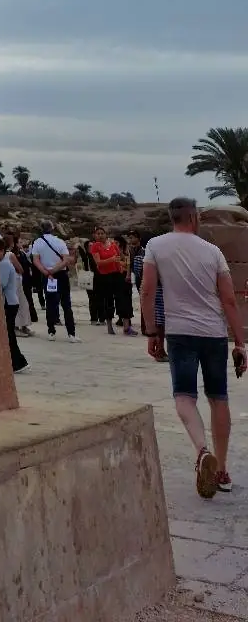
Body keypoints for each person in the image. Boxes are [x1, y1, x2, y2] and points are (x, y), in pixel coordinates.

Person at [142, 197, 247, 499]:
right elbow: (229, 300)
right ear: (195, 218)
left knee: (185, 397)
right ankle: (223, 470)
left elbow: (148, 289)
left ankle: (202, 451)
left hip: (180, 334)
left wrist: (151, 331)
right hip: (213, 334)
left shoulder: (155, 247)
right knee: (219, 398)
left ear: (172, 218)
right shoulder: (213, 252)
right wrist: (240, 343)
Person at [30, 222, 77, 339]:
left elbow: (35, 260)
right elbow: (66, 260)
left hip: (47, 275)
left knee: (50, 303)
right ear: (52, 229)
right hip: (60, 274)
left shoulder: (37, 242)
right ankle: (71, 333)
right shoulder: (60, 241)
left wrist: (47, 272)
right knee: (66, 303)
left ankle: (51, 331)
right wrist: (54, 270)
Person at [0, 236, 28, 373]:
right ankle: (16, 361)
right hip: (10, 302)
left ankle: (19, 362)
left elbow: (0, 285)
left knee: (9, 334)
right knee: (8, 334)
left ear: (1, 250)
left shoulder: (4, 264)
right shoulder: (1, 262)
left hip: (9, 303)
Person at [89, 225, 122, 335]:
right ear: (95, 235)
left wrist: (121, 268)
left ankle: (122, 320)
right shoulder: (95, 246)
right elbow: (98, 262)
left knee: (118, 298)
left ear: (105, 234)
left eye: (102, 233)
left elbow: (120, 257)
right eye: (98, 233)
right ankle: (109, 324)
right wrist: (111, 259)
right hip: (104, 276)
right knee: (108, 300)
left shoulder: (113, 244)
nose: (100, 235)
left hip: (116, 274)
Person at [5, 230, 37, 334]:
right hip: (15, 281)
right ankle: (16, 327)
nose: (21, 244)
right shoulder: (11, 254)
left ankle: (24, 326)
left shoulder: (21, 253)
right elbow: (20, 268)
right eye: (18, 242)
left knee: (24, 304)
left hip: (23, 281)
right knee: (17, 304)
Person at [114, 234, 138, 335]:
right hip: (116, 277)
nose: (115, 244)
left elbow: (127, 263)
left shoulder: (125, 251)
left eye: (116, 242)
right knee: (120, 301)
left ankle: (127, 326)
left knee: (126, 300)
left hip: (124, 276)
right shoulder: (113, 251)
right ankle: (124, 325)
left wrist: (127, 275)